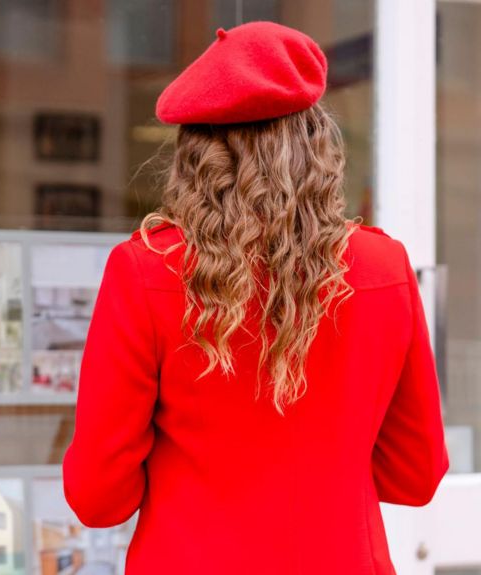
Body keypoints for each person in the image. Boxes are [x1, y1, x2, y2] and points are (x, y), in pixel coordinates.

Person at [62, 21, 449, 574]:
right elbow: (415, 475)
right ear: (315, 144)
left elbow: (98, 499)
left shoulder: (146, 271)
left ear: (195, 154)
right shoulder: (382, 267)